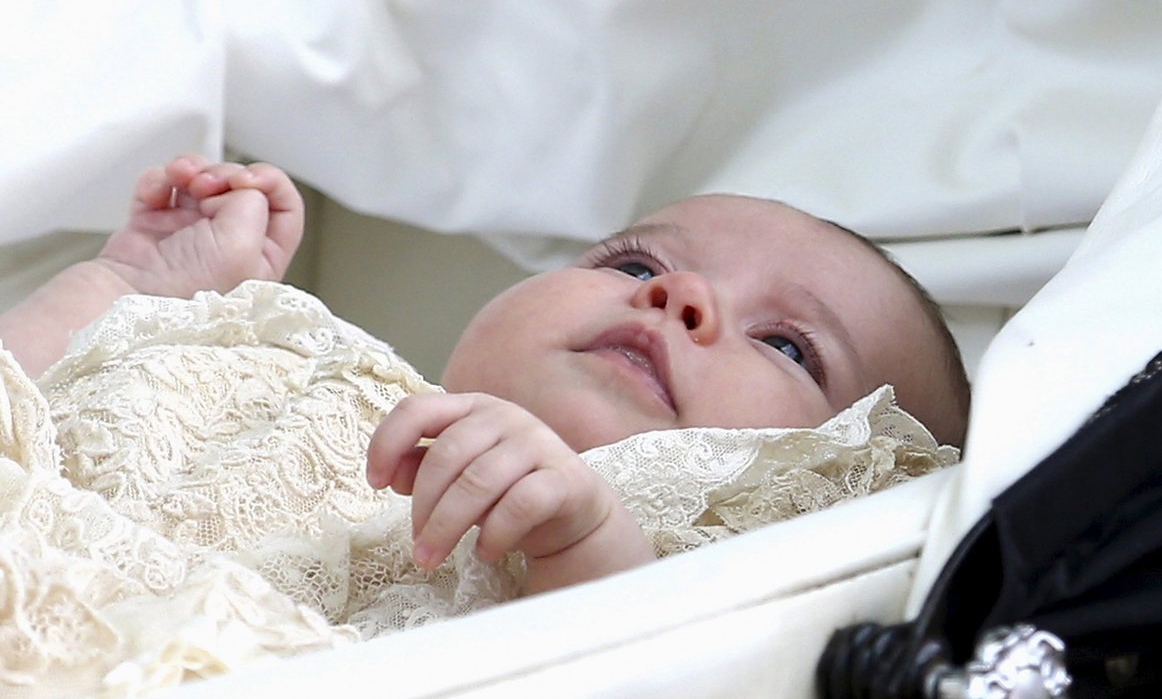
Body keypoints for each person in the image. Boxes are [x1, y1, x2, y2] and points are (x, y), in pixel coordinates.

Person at [0, 153, 969, 599]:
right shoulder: (302, 369)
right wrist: (128, 288)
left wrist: (586, 541)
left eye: (787, 346)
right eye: (634, 266)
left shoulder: (658, 569)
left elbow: (637, 662)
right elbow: (22, 412)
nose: (679, 299)